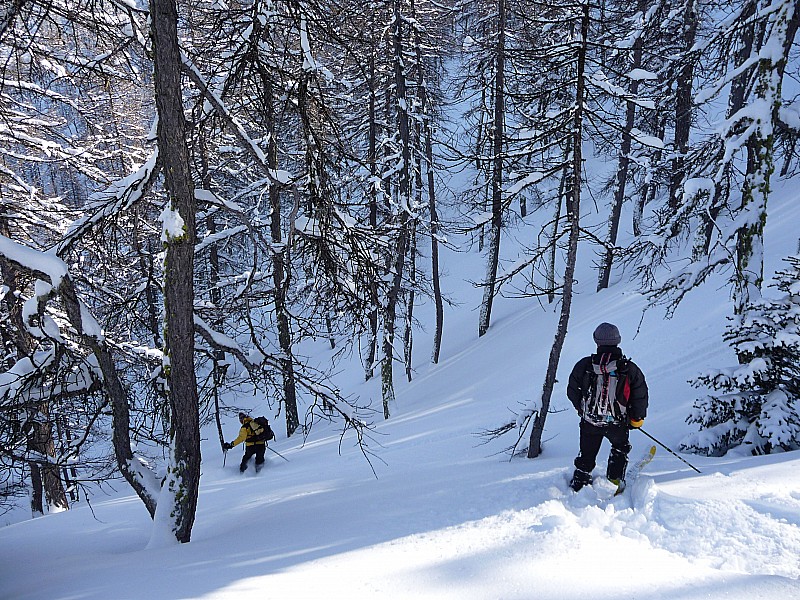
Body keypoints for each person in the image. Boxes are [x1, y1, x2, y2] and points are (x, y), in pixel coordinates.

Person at [567, 322, 648, 491]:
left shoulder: (585, 365)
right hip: (617, 423)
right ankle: (615, 480)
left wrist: (581, 409)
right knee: (620, 448)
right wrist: (636, 419)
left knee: (587, 454)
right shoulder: (628, 368)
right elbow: (640, 395)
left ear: (596, 341)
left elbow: (572, 390)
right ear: (618, 341)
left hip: (590, 422)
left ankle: (579, 483)